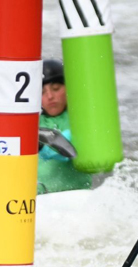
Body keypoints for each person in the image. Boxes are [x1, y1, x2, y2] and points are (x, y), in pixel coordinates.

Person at [37, 59, 92, 195]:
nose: (50, 96)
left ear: (68, 88)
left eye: (56, 89)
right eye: (42, 92)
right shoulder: (32, 122)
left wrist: (40, 146)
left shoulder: (81, 118)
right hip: (40, 200)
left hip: (78, 197)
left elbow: (69, 149)